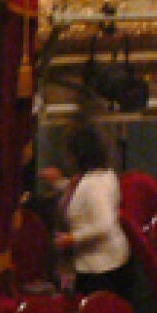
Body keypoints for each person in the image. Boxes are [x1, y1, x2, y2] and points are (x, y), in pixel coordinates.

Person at [52, 123, 134, 301]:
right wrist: (58, 183)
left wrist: (71, 239)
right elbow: (81, 196)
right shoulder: (104, 175)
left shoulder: (92, 184)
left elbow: (104, 224)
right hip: (110, 262)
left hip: (101, 270)